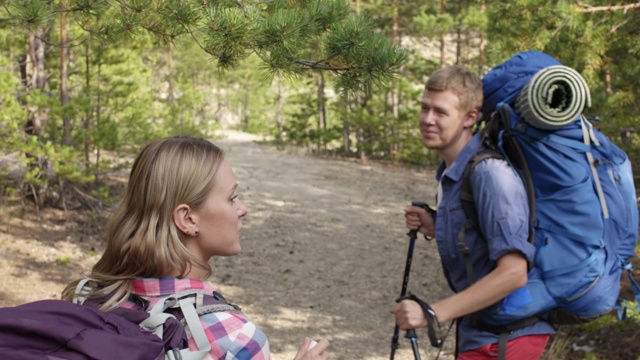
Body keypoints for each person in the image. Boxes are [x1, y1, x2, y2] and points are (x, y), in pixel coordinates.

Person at [62, 136, 329, 360]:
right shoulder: (235, 339)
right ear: (188, 219)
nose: (243, 209)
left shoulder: (87, 300)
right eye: (232, 197)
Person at [390, 66, 554, 359]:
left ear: (470, 117)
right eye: (424, 108)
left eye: (440, 112)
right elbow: (478, 235)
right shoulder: (454, 172)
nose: (427, 119)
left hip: (506, 340)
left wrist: (432, 313)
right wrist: (436, 225)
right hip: (482, 333)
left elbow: (514, 273)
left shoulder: (490, 174)